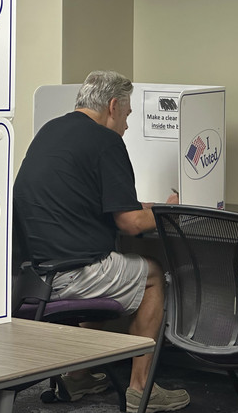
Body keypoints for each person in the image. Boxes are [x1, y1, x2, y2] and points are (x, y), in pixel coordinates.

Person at [13, 70, 190, 413]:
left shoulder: (51, 130)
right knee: (151, 273)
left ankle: (78, 376)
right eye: (126, 114)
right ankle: (142, 389)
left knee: (110, 262)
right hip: (71, 273)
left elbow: (95, 200)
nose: (126, 124)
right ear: (112, 106)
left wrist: (150, 206)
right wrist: (173, 211)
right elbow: (131, 223)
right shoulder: (106, 141)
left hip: (32, 275)